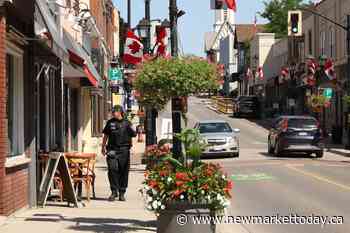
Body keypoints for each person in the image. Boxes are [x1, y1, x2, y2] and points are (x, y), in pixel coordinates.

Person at [101, 105, 136, 201]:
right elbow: (105, 136)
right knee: (112, 169)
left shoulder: (127, 123)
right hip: (112, 150)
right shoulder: (110, 123)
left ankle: (122, 192)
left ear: (120, 112)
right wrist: (103, 147)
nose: (113, 113)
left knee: (123, 171)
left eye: (115, 111)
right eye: (113, 111)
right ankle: (113, 191)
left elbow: (133, 134)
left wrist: (131, 128)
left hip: (124, 150)